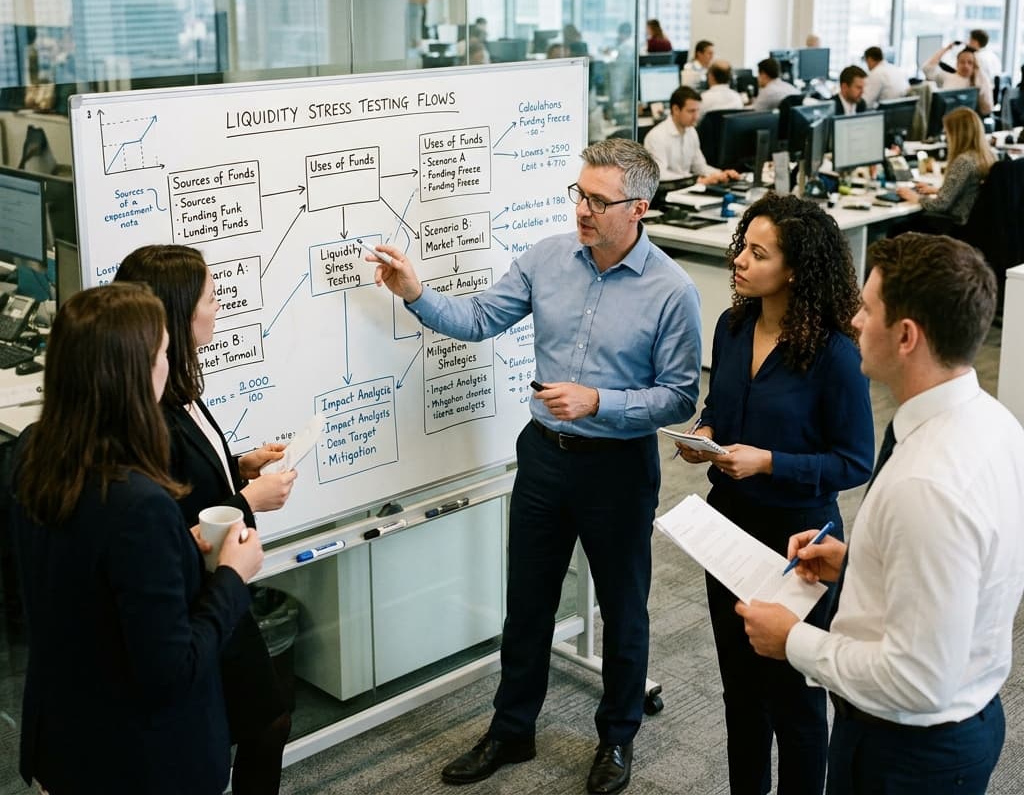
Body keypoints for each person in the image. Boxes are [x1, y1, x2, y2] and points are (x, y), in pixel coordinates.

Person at [368, 138, 702, 794]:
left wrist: (599, 401)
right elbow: (479, 318)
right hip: (545, 457)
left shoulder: (672, 290)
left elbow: (680, 396)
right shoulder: (548, 258)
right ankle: (511, 729)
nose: (582, 210)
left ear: (638, 209)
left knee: (623, 608)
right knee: (527, 604)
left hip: (618, 467)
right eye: (579, 194)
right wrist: (416, 292)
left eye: (599, 201)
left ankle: (617, 737)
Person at [737, 233, 1024, 795]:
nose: (854, 321)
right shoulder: (994, 422)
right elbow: (965, 568)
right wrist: (861, 564)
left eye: (868, 310)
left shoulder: (928, 485)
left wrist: (792, 640)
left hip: (906, 750)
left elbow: (918, 681)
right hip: (957, 724)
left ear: (907, 336)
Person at [10, 283, 263, 795]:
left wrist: (179, 548)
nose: (171, 365)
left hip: (65, 738)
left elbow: (90, 578)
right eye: (164, 354)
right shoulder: (137, 504)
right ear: (134, 375)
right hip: (139, 760)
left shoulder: (34, 452)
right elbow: (172, 670)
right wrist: (232, 577)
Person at [674, 193, 874, 795]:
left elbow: (854, 461)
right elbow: (719, 406)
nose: (739, 260)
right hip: (726, 529)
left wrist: (768, 462)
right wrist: (705, 434)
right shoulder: (732, 327)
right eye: (743, 246)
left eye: (758, 254)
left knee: (795, 701)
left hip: (797, 540)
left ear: (794, 270)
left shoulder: (835, 353)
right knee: (739, 690)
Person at [115, 245, 297, 795]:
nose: (220, 308)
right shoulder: (148, 414)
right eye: (211, 299)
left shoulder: (179, 389)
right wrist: (249, 501)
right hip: (198, 595)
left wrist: (238, 465)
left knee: (266, 721)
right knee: (258, 724)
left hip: (215, 587)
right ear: (177, 314)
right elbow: (169, 524)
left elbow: (186, 477)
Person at [895, 105, 995, 228]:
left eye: (948, 133)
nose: (946, 138)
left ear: (957, 135)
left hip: (956, 225)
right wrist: (939, 190)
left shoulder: (964, 161)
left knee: (898, 227)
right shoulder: (987, 156)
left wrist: (915, 197)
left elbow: (940, 205)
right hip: (975, 223)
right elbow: (970, 191)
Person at [644, 85, 740, 185]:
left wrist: (721, 174)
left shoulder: (691, 131)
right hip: (670, 191)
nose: (696, 117)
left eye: (697, 111)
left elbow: (700, 167)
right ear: (676, 109)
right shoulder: (656, 137)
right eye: (691, 111)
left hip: (689, 187)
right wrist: (695, 181)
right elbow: (660, 175)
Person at [923, 42, 993, 116]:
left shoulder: (979, 80)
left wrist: (979, 74)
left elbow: (987, 109)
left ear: (974, 65)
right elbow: (927, 68)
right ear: (957, 63)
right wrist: (947, 48)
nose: (966, 65)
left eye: (970, 62)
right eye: (962, 62)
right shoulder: (946, 77)